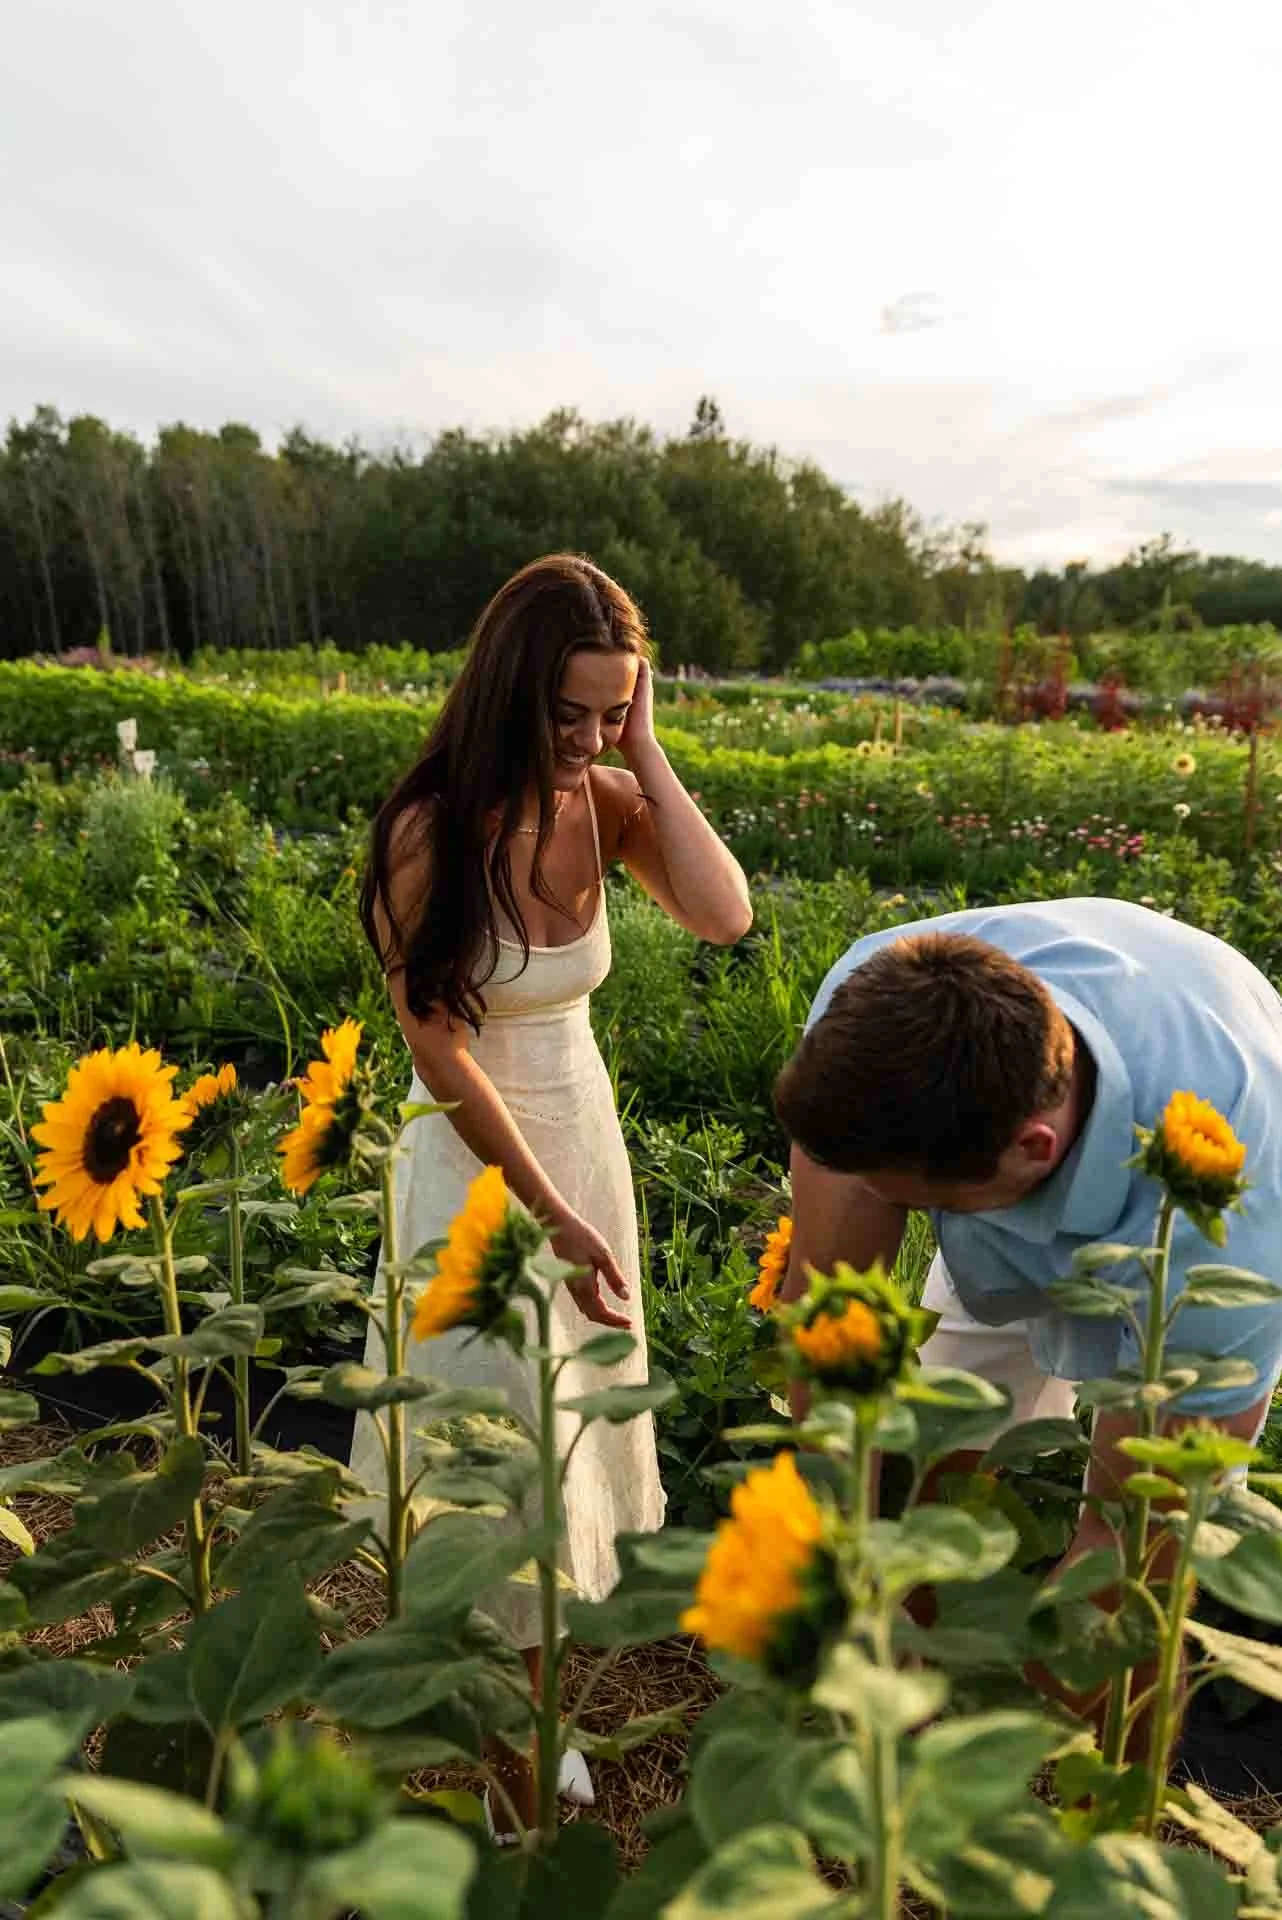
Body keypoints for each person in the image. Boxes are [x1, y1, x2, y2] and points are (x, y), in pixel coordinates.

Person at [351, 553, 752, 1828]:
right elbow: (436, 1042)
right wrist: (546, 1217)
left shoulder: (613, 802)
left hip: (583, 1136)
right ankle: (496, 1736)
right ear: (505, 690)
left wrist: (650, 755)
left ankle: (534, 1704)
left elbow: (724, 914)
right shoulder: (430, 829)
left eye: (609, 712)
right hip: (474, 1165)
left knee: (569, 1432)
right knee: (491, 1447)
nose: (585, 739)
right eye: (564, 711)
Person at [773, 897, 1282, 1648]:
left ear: (1031, 1151)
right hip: (1037, 1157)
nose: (885, 1211)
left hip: (1183, 1230)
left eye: (907, 1201)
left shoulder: (1236, 1231)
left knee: (1131, 1578)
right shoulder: (876, 1015)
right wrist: (856, 1592)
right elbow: (824, 1329)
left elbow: (1132, 1547)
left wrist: (1008, 1743)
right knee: (928, 1472)